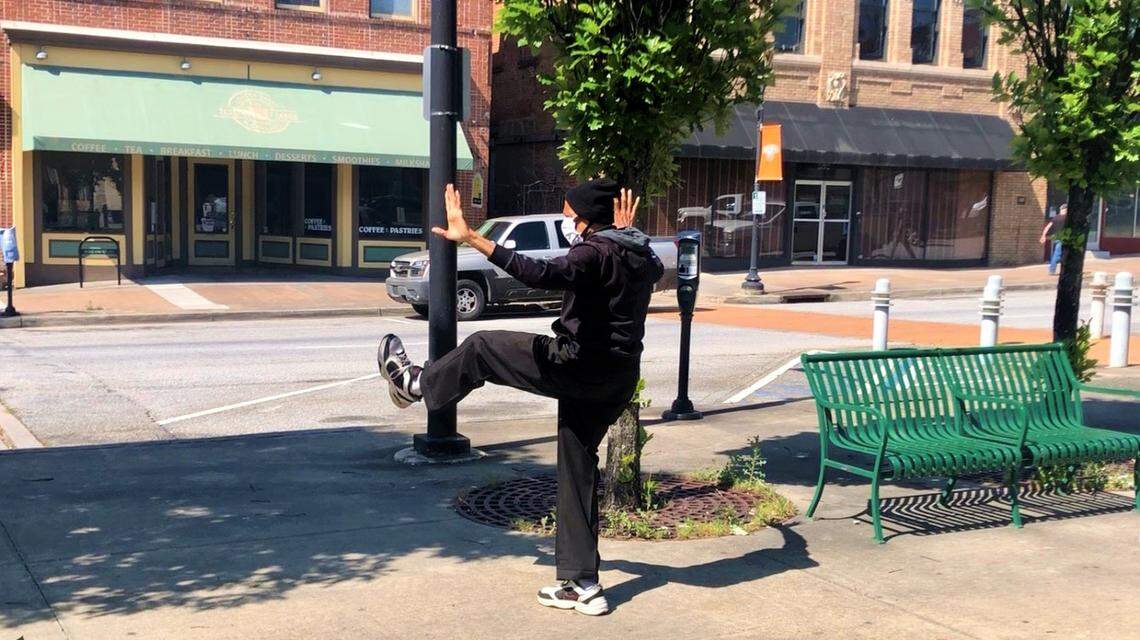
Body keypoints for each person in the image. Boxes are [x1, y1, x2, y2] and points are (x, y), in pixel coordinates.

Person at [377, 178, 662, 616]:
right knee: (577, 465)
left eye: (568, 215)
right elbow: (643, 262)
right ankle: (581, 583)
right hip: (617, 378)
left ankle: (417, 385)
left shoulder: (592, 252)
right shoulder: (638, 253)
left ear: (587, 220)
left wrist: (473, 238)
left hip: (575, 365)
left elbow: (542, 273)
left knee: (484, 347)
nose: (565, 221)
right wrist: (623, 231)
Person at [1041, 204, 1068, 275]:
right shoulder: (1066, 218)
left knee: (1058, 253)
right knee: (1057, 254)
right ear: (1066, 210)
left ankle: (1053, 269)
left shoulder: (1055, 218)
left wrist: (1043, 235)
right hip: (1063, 238)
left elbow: (1047, 227)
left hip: (1055, 238)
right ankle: (1052, 270)